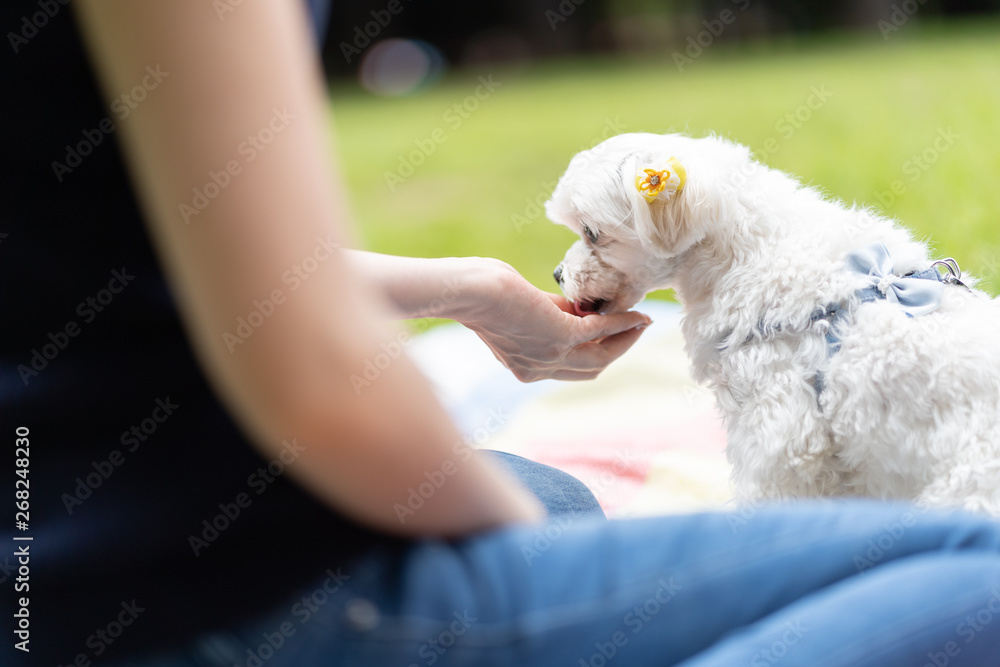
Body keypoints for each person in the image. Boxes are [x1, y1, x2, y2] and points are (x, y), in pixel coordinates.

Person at [2, 2, 1000, 665]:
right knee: (977, 571)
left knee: (557, 491)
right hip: (189, 601)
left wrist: (472, 291)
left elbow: (166, 268)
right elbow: (319, 385)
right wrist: (529, 572)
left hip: (45, 568)